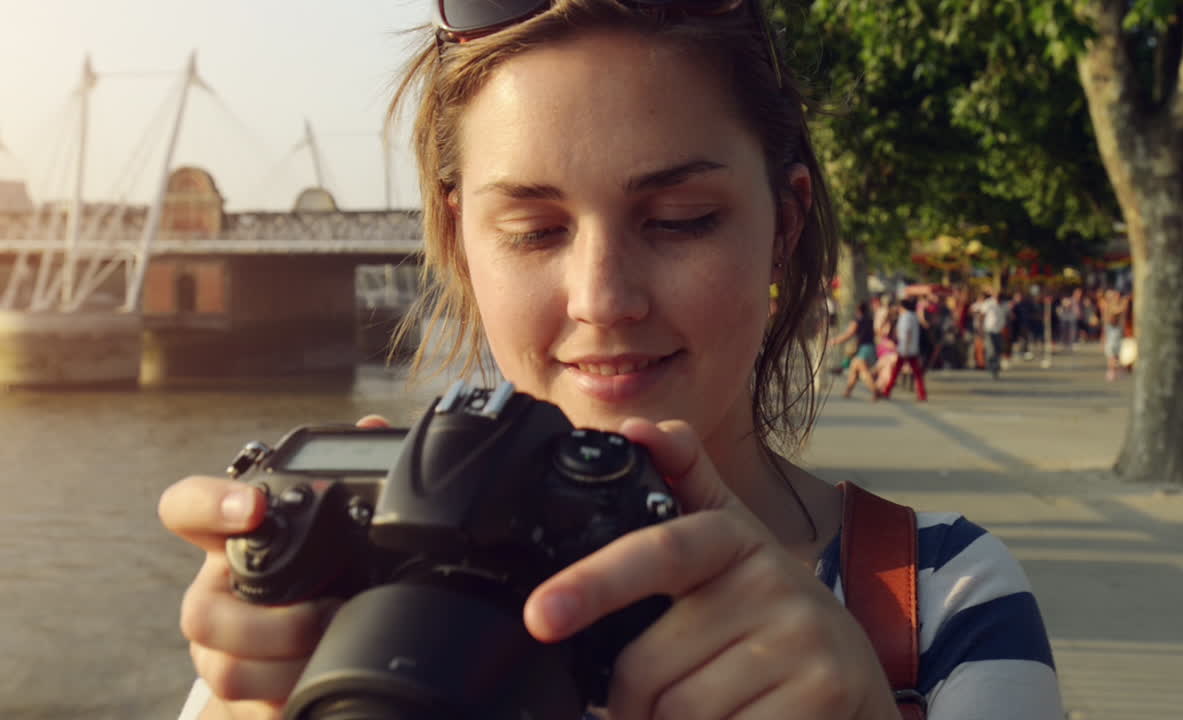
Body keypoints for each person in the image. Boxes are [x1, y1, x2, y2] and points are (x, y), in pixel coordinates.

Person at [157, 2, 1063, 719]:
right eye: (533, 230)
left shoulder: (935, 601)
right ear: (457, 236)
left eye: (678, 220)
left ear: (783, 225)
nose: (602, 297)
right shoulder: (348, 614)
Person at [828, 301, 879, 400]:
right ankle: (847, 392)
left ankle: (874, 390)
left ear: (858, 311)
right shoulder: (870, 320)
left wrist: (835, 341)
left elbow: (848, 334)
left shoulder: (857, 321)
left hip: (863, 349)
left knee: (863, 371)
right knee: (854, 369)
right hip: (871, 348)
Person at [882, 298, 928, 402]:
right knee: (917, 374)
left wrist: (905, 349)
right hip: (912, 349)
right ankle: (922, 394)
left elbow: (907, 334)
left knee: (896, 372)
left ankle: (887, 391)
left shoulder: (906, 317)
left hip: (905, 349)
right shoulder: (914, 316)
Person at [1100, 288, 1130, 382]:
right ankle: (1112, 371)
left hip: (1117, 329)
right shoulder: (1109, 304)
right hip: (1111, 329)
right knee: (1112, 351)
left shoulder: (1117, 304)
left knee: (1117, 351)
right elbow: (1115, 312)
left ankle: (1116, 370)